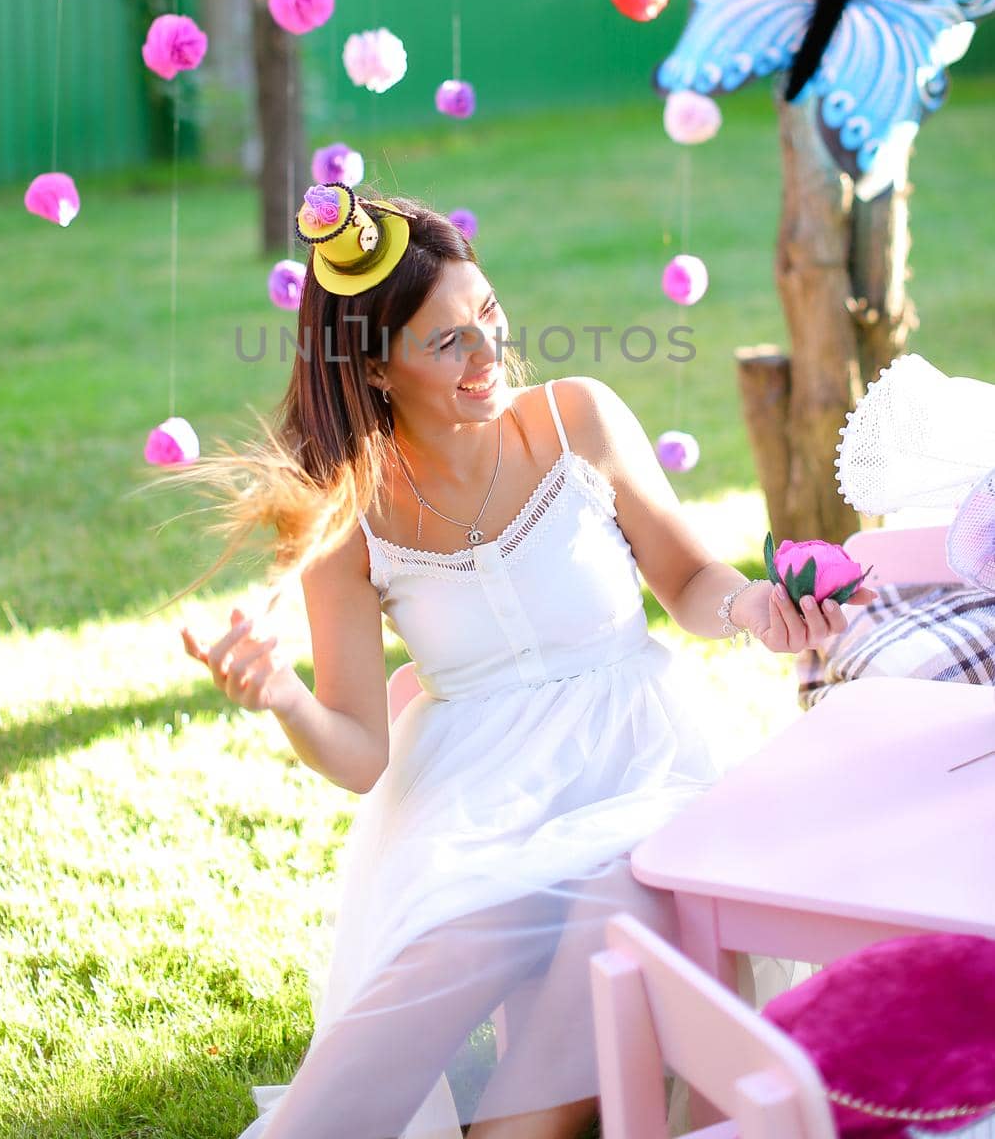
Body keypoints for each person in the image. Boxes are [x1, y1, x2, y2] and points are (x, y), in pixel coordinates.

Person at [175, 184, 868, 1139]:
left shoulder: (574, 417)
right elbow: (360, 754)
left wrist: (749, 603)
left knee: (611, 914)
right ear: (376, 370)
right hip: (474, 805)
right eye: (446, 340)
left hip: (643, 768)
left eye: (488, 314)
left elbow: (688, 577)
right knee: (428, 977)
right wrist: (285, 698)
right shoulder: (351, 514)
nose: (488, 352)